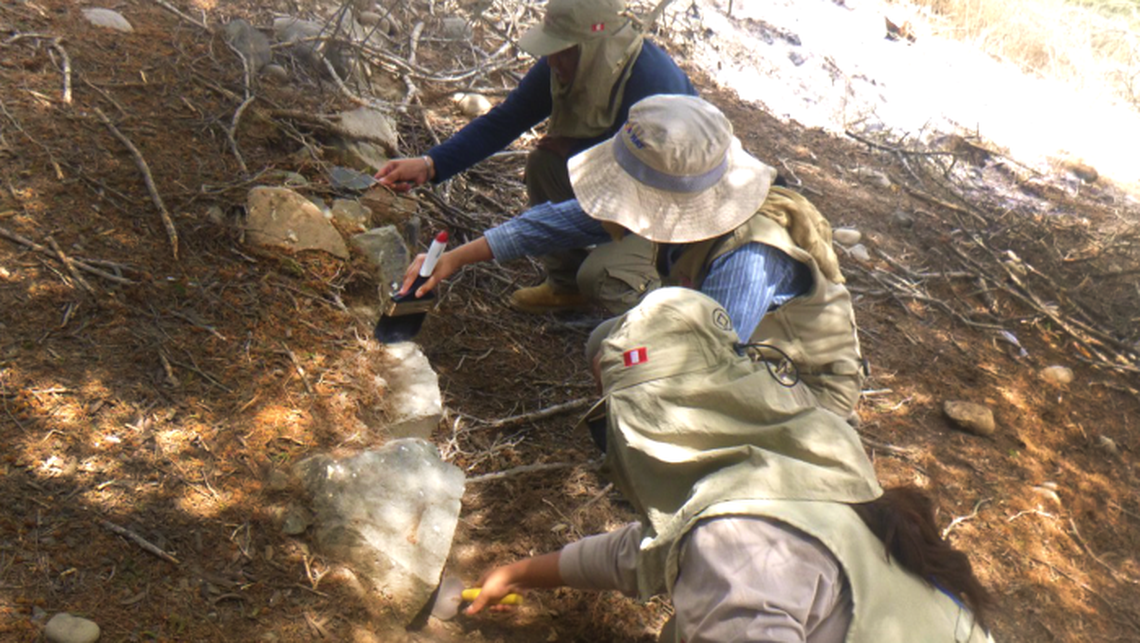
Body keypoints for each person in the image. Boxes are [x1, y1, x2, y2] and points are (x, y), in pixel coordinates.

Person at [462, 288, 995, 643]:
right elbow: (650, 550)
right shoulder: (807, 466)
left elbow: (724, 553)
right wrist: (518, 574)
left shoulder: (737, 546)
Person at [398, 94, 864, 417]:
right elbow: (558, 221)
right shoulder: (687, 200)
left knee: (632, 362)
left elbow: (713, 364)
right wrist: (455, 258)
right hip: (736, 349)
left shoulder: (752, 252)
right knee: (612, 346)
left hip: (801, 386)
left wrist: (643, 382)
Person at [375, 0, 696, 314]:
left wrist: (577, 151)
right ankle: (567, 287)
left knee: (602, 276)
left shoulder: (655, 86)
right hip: (616, 194)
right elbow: (506, 120)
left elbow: (619, 197)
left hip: (673, 211)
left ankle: (659, 313)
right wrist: (431, 164)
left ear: (595, 47)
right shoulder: (565, 65)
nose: (552, 61)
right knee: (546, 165)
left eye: (563, 50)